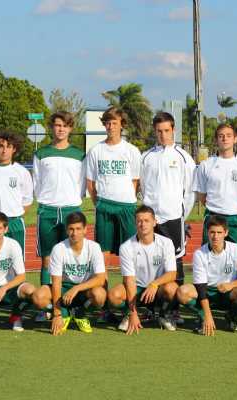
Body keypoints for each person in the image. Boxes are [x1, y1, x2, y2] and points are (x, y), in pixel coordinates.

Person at [85, 106, 141, 322]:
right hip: (105, 207)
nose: (111, 126)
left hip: (126, 207)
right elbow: (90, 183)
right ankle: (106, 306)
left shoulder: (131, 151)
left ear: (121, 125)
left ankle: (131, 307)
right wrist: (99, 202)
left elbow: (135, 181)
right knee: (104, 257)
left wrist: (125, 198)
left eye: (114, 123)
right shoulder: (96, 151)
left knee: (129, 257)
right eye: (107, 123)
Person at [140, 112, 195, 323]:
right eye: (159, 131)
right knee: (150, 262)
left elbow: (189, 191)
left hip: (173, 218)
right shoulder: (146, 157)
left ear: (173, 130)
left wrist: (180, 215)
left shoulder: (183, 157)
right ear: (154, 132)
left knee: (176, 263)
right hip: (152, 220)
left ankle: (174, 310)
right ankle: (150, 308)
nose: (163, 135)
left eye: (166, 130)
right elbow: (143, 188)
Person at [32, 111, 86, 320]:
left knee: (73, 257)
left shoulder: (80, 155)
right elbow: (37, 182)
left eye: (65, 125)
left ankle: (73, 302)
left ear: (71, 128)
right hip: (47, 210)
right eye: (57, 125)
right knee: (47, 258)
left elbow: (82, 184)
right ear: (51, 128)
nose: (61, 129)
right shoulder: (41, 153)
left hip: (71, 209)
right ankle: (46, 305)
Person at [107, 205, 179, 334]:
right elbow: (129, 281)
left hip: (158, 289)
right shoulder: (126, 247)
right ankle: (129, 314)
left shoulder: (166, 243)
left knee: (173, 289)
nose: (143, 224)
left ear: (154, 222)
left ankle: (163, 314)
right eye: (139, 221)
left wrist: (154, 284)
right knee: (113, 296)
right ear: (135, 223)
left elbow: (172, 274)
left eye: (146, 220)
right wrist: (133, 313)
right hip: (137, 288)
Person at [31, 212, 106, 335]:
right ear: (66, 230)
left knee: (100, 295)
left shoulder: (94, 247)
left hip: (84, 289)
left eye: (78, 229)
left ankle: (80, 313)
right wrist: (57, 313)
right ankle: (65, 313)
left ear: (85, 230)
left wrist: (77, 288)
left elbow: (100, 279)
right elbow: (56, 283)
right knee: (38, 297)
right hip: (64, 288)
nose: (74, 233)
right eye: (71, 229)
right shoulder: (59, 249)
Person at [176, 215, 237, 335]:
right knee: (182, 291)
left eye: (219, 232)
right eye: (212, 232)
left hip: (228, 292)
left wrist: (231, 284)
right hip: (207, 292)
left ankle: (231, 316)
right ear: (207, 233)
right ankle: (203, 317)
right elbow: (200, 288)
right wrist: (207, 315)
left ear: (226, 233)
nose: (215, 236)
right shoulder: (199, 253)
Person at [195, 123, 237, 249]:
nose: (225, 139)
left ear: (235, 139)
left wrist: (233, 208)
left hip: (236, 219)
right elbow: (201, 195)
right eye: (221, 136)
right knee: (209, 257)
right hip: (213, 217)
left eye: (228, 135)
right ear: (216, 139)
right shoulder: (206, 165)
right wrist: (218, 207)